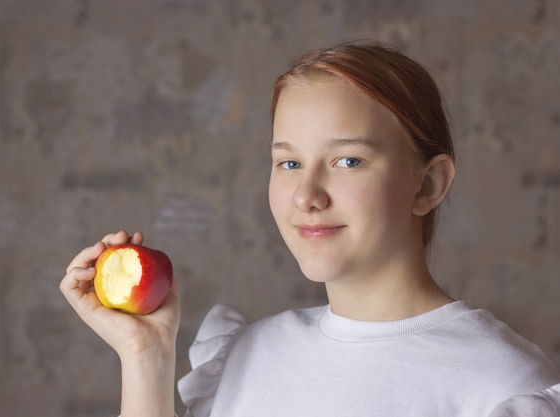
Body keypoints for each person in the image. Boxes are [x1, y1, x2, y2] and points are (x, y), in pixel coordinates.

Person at [60, 39, 560, 417]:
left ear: (428, 185)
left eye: (347, 160)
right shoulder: (245, 355)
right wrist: (146, 355)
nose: (306, 197)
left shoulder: (502, 386)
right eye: (290, 164)